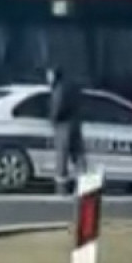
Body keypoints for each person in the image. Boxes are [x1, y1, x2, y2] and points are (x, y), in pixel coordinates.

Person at [47, 66, 85, 195]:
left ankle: (61, 189)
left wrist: (52, 120)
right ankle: (83, 186)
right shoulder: (73, 87)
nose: (48, 78)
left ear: (55, 75)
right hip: (75, 124)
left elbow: (57, 107)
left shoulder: (59, 89)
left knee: (61, 157)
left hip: (63, 125)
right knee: (78, 156)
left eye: (49, 74)